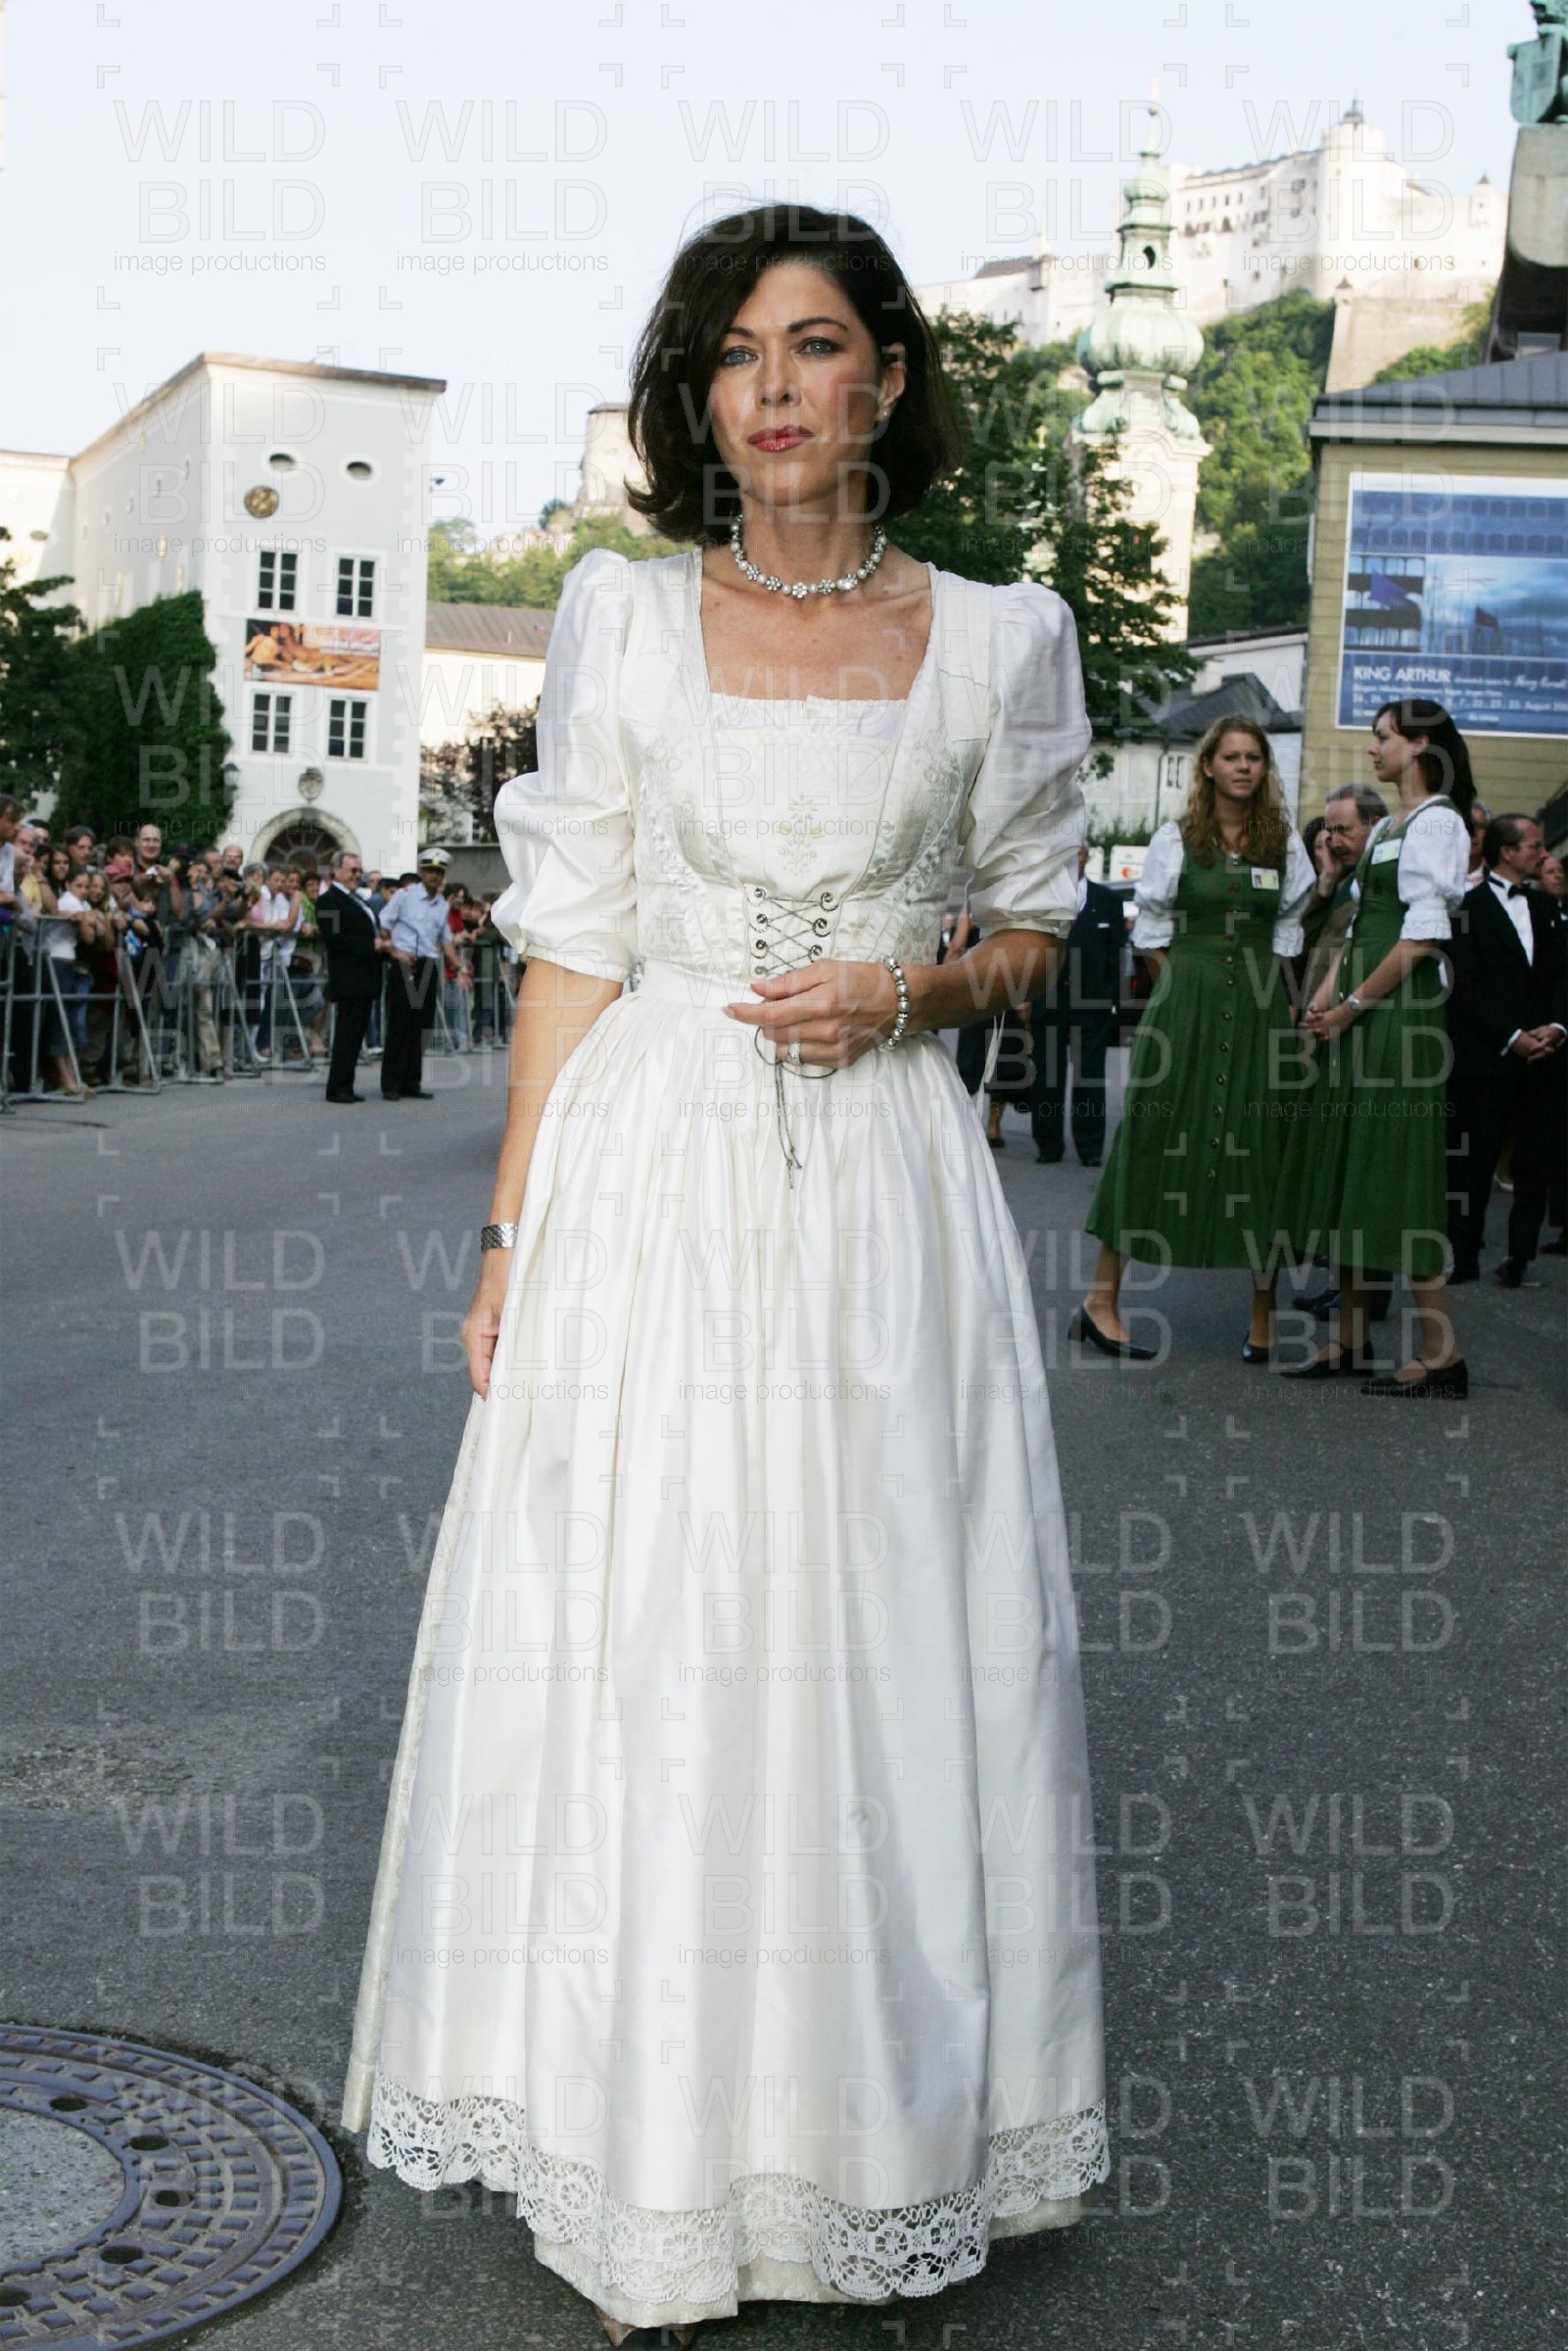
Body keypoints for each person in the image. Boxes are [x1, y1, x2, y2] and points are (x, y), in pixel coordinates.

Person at [340, 204, 1109, 2343]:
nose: (772, 387)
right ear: (699, 398)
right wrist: (509, 1233)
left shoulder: (1002, 641)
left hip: (878, 1188)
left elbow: (1033, 928)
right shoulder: (617, 617)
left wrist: (912, 989)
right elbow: (573, 948)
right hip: (651, 1173)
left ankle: (867, 2144)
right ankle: (643, 2161)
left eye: (815, 344)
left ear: (886, 379)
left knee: (881, 1639)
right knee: (653, 1631)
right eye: (734, 353)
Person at [1078, 716, 1313, 1363]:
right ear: (1207, 765)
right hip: (1184, 1004)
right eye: (1231, 756)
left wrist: (1286, 1009)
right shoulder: (1176, 837)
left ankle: (1262, 1315)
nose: (1243, 767)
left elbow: (1287, 936)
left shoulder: (1283, 842)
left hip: (1260, 1008)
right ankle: (1100, 1300)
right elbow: (1151, 931)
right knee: (1150, 1136)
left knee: (1261, 1147)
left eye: (1253, 757)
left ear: (1264, 768)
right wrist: (1181, 990)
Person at [1275, 699, 1472, 1396]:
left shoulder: (1438, 822)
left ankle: (1442, 1355)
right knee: (1350, 1168)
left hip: (1396, 1016)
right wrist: (1324, 1000)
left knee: (1396, 1171)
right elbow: (1360, 930)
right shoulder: (1388, 825)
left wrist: (1352, 1006)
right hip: (1359, 1011)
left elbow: (1420, 938)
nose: (1372, 748)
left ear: (1419, 745)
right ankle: (1350, 1338)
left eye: (1382, 737)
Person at [1446, 814, 1568, 1287]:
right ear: (1507, 852)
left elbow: (1563, 976)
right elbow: (1463, 985)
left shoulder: (1547, 907)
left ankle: (1520, 1256)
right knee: (1473, 1162)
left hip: (1544, 1057)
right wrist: (1511, 1035)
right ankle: (1463, 1255)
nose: (1543, 853)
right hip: (1487, 1057)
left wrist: (1556, 1027)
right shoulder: (1466, 908)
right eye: (1534, 845)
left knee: (1535, 1162)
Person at [1297, 784, 1392, 1323]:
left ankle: (1369, 1291)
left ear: (1374, 825)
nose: (1332, 839)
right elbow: (1305, 937)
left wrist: (1342, 1008)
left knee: (1362, 1160)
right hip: (1327, 1018)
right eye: (1328, 830)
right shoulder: (1346, 879)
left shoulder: (1381, 879)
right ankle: (1344, 1283)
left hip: (1358, 1018)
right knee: (1334, 1157)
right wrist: (1327, 880)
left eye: (1342, 829)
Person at [1028, 842, 1121, 1167]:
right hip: (1049, 998)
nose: (1073, 859)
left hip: (1092, 1002)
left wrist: (1111, 998)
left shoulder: (1108, 901)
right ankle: (1048, 1144)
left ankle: (1090, 1146)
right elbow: (1031, 950)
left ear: (1087, 856)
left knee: (1089, 1077)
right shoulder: (1044, 899)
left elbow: (1116, 955)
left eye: (1079, 853)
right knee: (1047, 1076)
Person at [376, 851, 458, 1099]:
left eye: (439, 872)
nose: (434, 876)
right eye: (430, 871)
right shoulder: (405, 895)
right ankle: (391, 1083)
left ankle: (411, 1082)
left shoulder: (442, 905)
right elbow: (385, 923)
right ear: (422, 872)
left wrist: (460, 966)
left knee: (422, 1025)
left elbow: (446, 940)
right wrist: (394, 950)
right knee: (400, 1024)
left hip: (428, 964)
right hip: (406, 963)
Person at [315, 848, 384, 1101]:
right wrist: (371, 945)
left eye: (359, 871)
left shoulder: (357, 900)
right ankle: (338, 1087)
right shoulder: (329, 900)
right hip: (348, 977)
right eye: (352, 870)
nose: (357, 875)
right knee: (347, 1034)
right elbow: (335, 939)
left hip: (365, 976)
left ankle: (346, 1084)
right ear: (337, 871)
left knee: (355, 1035)